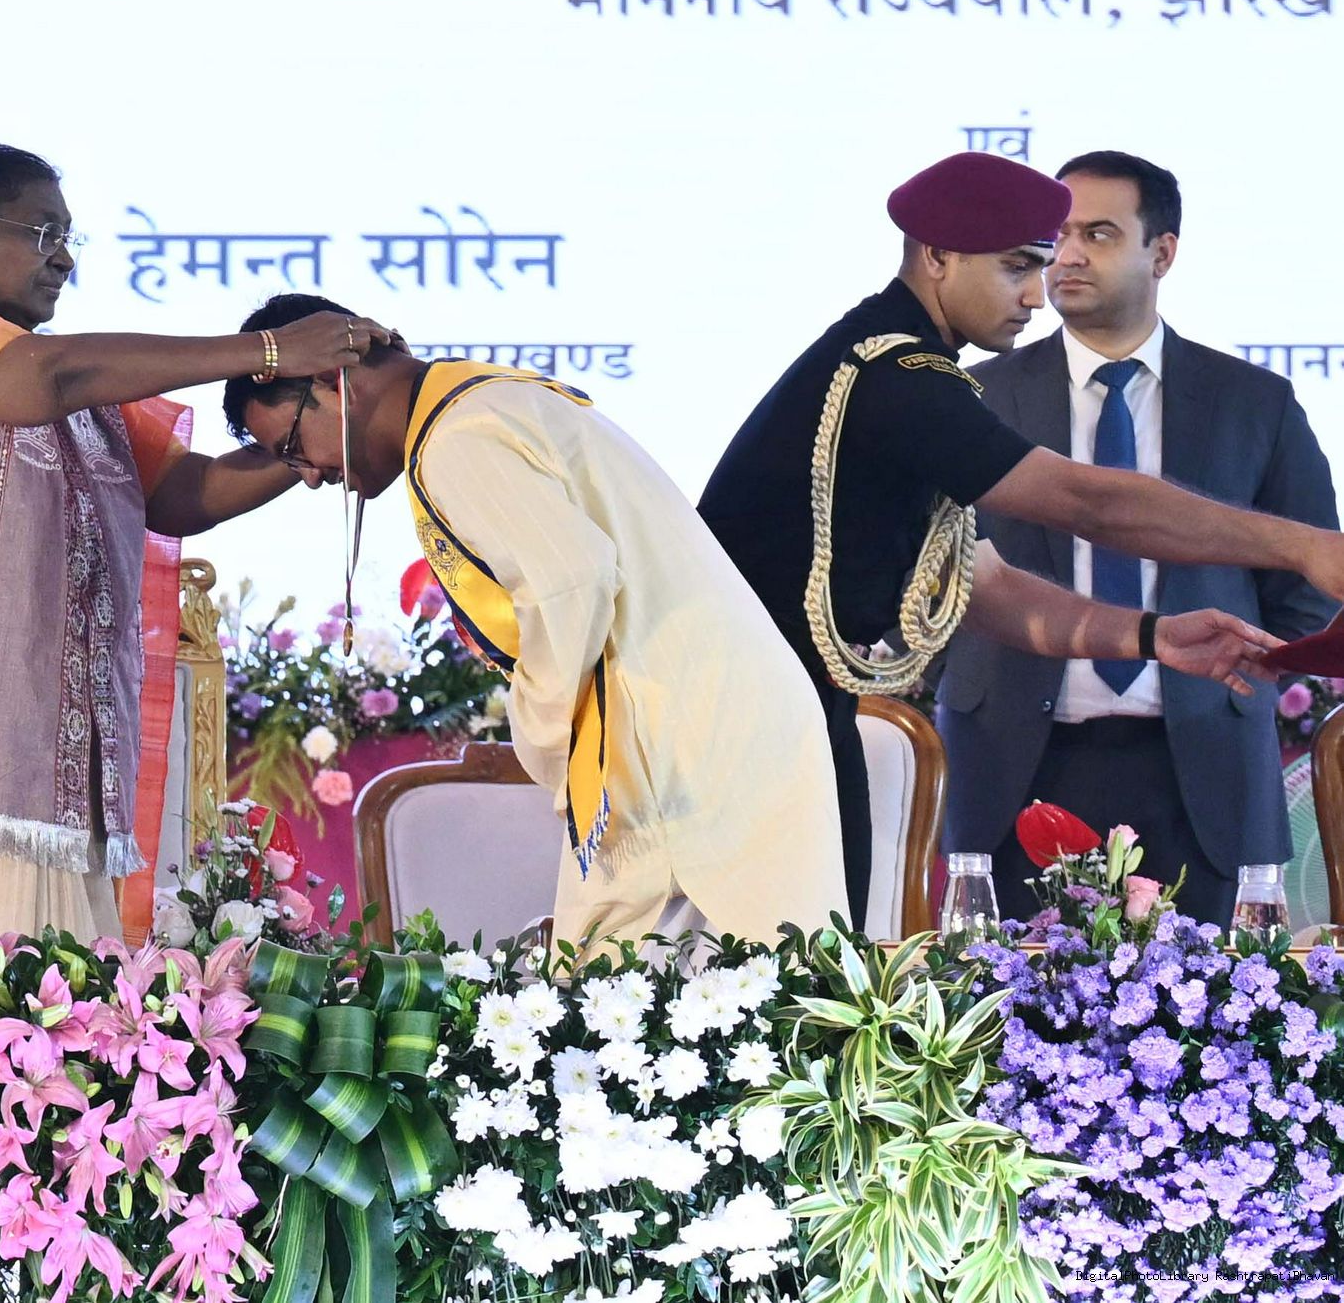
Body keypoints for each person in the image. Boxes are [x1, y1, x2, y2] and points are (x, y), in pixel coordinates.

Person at [0, 141, 380, 937]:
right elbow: (42, 381)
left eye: (68, 238)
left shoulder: (76, 389)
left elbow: (185, 494)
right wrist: (270, 351)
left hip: (41, 751)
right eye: (41, 233)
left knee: (45, 999)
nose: (63, 258)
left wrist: (323, 438)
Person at [700, 150, 1329, 915]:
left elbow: (984, 585)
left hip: (787, 706)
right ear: (937, 256)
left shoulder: (910, 364)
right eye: (1016, 267)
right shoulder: (899, 376)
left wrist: (1155, 636)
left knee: (822, 950)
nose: (1038, 292)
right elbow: (1085, 502)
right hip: (744, 720)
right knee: (777, 962)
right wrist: (1303, 546)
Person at [221, 295, 843, 943]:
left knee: (647, 993)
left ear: (333, 378)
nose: (308, 476)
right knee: (660, 987)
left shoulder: (456, 438)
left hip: (691, 746)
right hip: (708, 724)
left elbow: (572, 583)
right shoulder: (475, 402)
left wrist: (541, 734)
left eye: (292, 447)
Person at [936, 150, 1340, 922]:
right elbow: (937, 575)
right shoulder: (973, 396)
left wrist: (1239, 668)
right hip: (1014, 762)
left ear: (1162, 252)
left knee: (1223, 998)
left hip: (1203, 765)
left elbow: (1309, 578)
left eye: (1098, 233)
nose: (1068, 255)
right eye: (1057, 235)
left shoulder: (1253, 402)